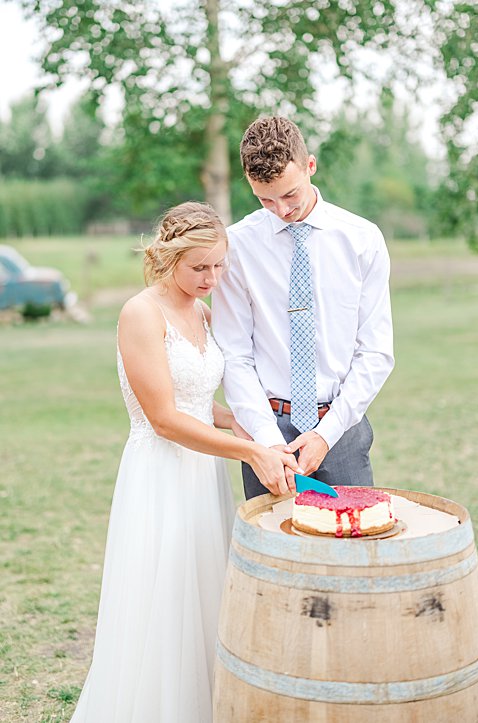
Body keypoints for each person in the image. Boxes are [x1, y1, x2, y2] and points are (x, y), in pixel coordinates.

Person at [70, 202, 297, 722]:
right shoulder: (140, 314)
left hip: (203, 474)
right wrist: (248, 449)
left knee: (205, 592)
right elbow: (165, 418)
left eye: (219, 266)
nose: (211, 278)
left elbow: (198, 401)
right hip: (160, 473)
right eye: (199, 267)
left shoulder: (202, 311)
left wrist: (237, 423)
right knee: (164, 599)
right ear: (166, 256)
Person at [216, 115, 396, 499]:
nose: (281, 209)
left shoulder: (362, 240)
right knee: (274, 555)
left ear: (310, 166)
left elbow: (376, 352)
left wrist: (326, 433)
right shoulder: (237, 247)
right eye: (265, 199)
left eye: (290, 194)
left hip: (342, 427)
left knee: (350, 550)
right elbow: (234, 353)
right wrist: (266, 439)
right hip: (265, 431)